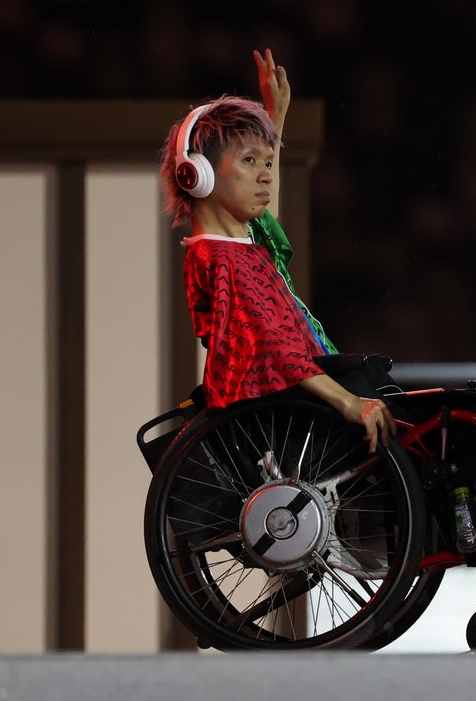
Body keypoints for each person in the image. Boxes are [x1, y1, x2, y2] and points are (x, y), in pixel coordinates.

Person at [159, 49, 395, 452]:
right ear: (198, 175)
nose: (266, 174)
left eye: (267, 161)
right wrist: (348, 402)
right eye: (249, 161)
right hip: (286, 408)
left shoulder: (238, 244)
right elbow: (275, 345)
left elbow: (267, 213)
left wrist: (275, 118)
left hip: (297, 389)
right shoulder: (220, 259)